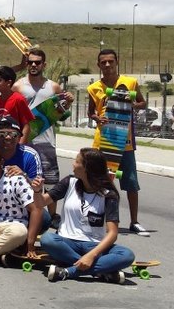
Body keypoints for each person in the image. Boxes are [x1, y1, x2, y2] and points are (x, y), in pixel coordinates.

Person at [38, 148, 135, 283]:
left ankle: (69, 271)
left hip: (94, 245)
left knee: (127, 255)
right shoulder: (69, 182)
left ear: (86, 169)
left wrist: (91, 255)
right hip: (67, 242)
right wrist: (37, 190)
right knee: (48, 239)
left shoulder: (109, 194)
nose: (73, 164)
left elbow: (112, 233)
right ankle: (101, 270)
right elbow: (41, 202)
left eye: (77, 162)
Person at [87, 49, 149, 236]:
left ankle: (134, 222)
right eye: (103, 62)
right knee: (100, 182)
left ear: (117, 62)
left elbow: (142, 102)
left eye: (110, 61)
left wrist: (131, 106)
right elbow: (91, 113)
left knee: (130, 182)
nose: (107, 65)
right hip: (103, 142)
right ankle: (98, 219)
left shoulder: (130, 83)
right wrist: (97, 119)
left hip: (125, 141)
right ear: (98, 65)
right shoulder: (94, 88)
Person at [13, 48, 74, 226]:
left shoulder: (53, 87)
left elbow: (61, 115)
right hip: (25, 139)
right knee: (24, 177)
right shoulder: (18, 86)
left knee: (50, 179)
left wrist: (68, 102)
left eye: (37, 62)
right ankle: (25, 212)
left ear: (44, 65)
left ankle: (53, 215)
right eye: (30, 62)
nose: (33, 65)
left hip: (46, 139)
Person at [0, 66, 33, 142]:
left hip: (15, 143)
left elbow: (26, 125)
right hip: (1, 145)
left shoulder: (18, 99)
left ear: (9, 82)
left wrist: (20, 145)